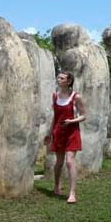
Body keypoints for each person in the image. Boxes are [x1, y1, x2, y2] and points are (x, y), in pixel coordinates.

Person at [45, 71, 86, 204]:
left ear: (69, 81)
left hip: (72, 132)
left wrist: (71, 121)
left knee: (69, 161)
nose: (58, 79)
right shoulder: (55, 96)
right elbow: (55, 118)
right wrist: (49, 133)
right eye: (58, 77)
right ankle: (57, 186)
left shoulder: (76, 97)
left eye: (61, 78)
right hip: (58, 133)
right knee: (59, 162)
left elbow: (84, 115)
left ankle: (72, 193)